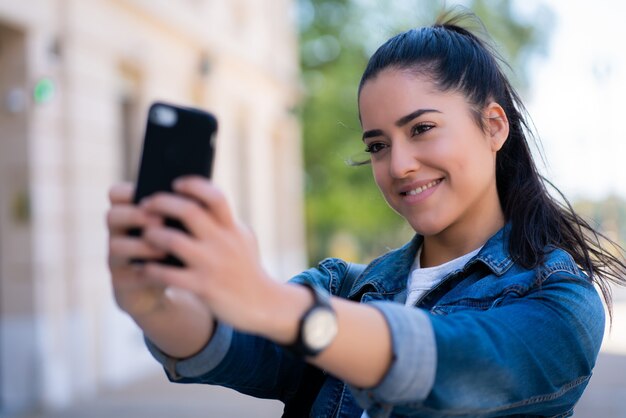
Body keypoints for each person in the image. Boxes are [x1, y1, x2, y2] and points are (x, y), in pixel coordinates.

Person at [106, 10, 626, 418]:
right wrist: (153, 304)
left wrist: (276, 305)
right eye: (377, 144)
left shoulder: (561, 303)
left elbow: (451, 362)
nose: (398, 164)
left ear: (493, 126)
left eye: (421, 128)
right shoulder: (341, 287)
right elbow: (231, 345)